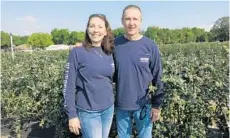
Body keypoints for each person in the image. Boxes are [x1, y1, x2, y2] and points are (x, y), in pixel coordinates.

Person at [113, 5, 164, 138]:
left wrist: (157, 105)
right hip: (121, 106)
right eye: (128, 19)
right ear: (122, 21)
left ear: (141, 20)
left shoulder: (150, 45)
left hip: (144, 106)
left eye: (135, 19)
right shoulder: (115, 45)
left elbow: (158, 76)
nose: (131, 23)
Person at [63, 13, 115, 138]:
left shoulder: (110, 52)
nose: (95, 30)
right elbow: (68, 85)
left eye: (99, 27)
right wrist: (72, 115)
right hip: (89, 112)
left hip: (108, 109)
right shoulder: (77, 52)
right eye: (92, 26)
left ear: (105, 31)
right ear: (87, 29)